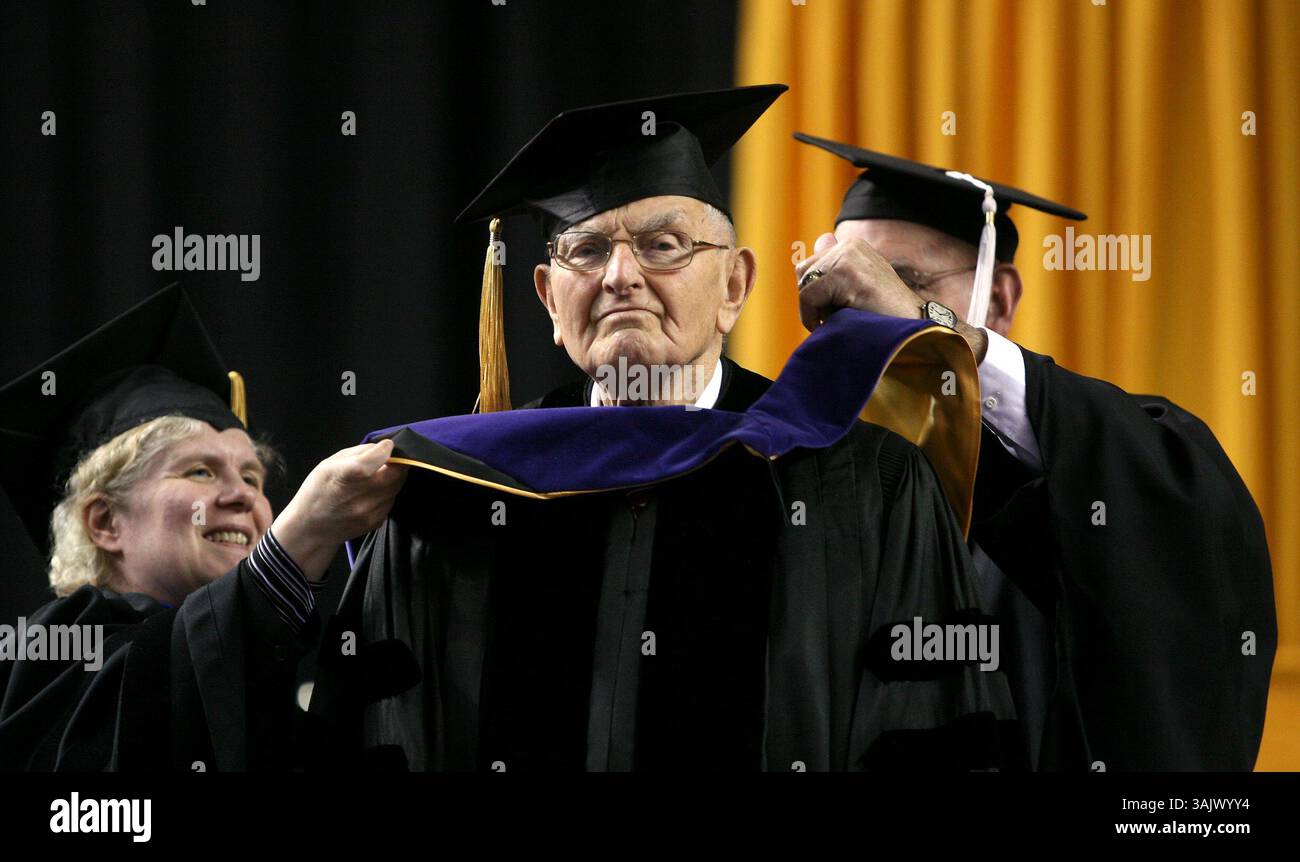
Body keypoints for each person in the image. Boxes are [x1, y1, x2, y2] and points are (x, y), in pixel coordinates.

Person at [309, 85, 1021, 772]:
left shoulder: (865, 481)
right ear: (548, 299)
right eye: (586, 251)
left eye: (664, 244)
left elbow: (933, 732)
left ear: (735, 287)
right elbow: (372, 735)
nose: (620, 275)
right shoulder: (453, 490)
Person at [790, 133, 1276, 770]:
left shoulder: (1073, 472)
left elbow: (1183, 588)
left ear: (998, 298)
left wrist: (929, 327)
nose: (862, 303)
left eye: (898, 279)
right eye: (843, 280)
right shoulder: (803, 475)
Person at [0, 284, 406, 770]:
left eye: (252, 477)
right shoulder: (61, 655)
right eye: (199, 471)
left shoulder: (283, 677)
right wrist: (299, 541)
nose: (243, 496)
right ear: (106, 521)